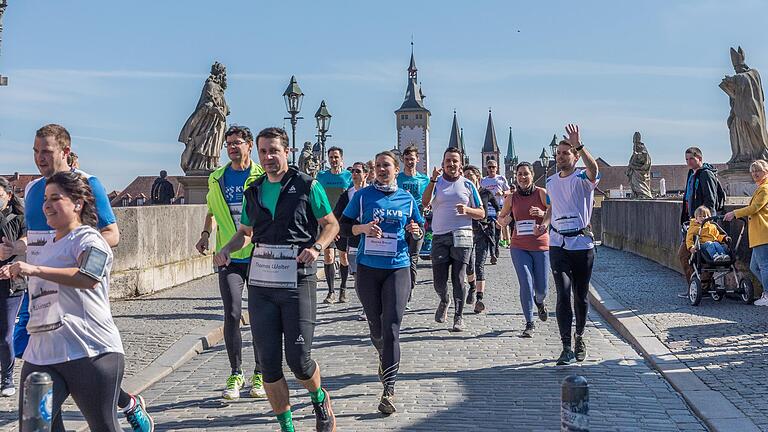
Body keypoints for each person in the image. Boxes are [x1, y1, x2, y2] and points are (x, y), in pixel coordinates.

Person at [0, 124, 153, 431]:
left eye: (46, 151)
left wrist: (58, 254)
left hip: (86, 340)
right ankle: (121, 398)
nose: (39, 158)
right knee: (34, 426)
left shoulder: (88, 203)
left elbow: (102, 251)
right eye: (35, 151)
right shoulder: (31, 190)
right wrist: (18, 249)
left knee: (102, 422)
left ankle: (126, 401)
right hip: (42, 335)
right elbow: (38, 240)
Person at [214, 127, 339, 432]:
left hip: (298, 283)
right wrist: (227, 249)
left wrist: (317, 247)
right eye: (263, 152)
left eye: (274, 151)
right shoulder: (253, 191)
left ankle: (319, 398)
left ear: (287, 151)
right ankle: (287, 427)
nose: (268, 157)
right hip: (262, 287)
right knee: (269, 366)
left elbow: (330, 224)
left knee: (298, 361)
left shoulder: (307, 186)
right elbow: (245, 234)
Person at [339, 151, 424, 414]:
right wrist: (362, 229)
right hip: (368, 269)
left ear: (396, 169)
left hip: (397, 267)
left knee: (392, 327)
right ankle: (382, 355)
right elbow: (343, 225)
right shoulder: (363, 197)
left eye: (386, 165)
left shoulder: (407, 199)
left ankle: (389, 389)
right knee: (375, 326)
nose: (381, 169)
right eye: (377, 166)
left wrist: (416, 232)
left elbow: (419, 229)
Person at [194, 125, 266, 400]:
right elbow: (212, 210)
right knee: (232, 314)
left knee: (259, 315)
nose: (232, 148)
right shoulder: (217, 178)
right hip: (229, 256)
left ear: (249, 145)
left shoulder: (261, 177)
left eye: (237, 143)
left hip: (260, 255)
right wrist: (205, 235)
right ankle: (236, 373)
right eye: (229, 144)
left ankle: (260, 373)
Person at [538, 124, 599, 365]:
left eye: (566, 153)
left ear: (574, 157)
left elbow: (594, 169)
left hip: (582, 244)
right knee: (562, 294)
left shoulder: (583, 178)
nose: (561, 156)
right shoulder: (551, 181)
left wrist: (580, 145)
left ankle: (579, 336)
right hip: (558, 243)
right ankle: (565, 346)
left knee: (580, 295)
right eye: (559, 153)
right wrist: (544, 222)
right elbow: (553, 208)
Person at [422, 147, 484, 332]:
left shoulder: (468, 185)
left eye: (455, 161)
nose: (451, 164)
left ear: (460, 164)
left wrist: (467, 210)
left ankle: (459, 316)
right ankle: (444, 299)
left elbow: (481, 213)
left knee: (459, 278)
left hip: (462, 235)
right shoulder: (437, 182)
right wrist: (432, 180)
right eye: (448, 160)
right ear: (443, 163)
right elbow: (425, 203)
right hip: (440, 236)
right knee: (439, 281)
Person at [499, 162, 550, 338]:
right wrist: (503, 222)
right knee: (526, 283)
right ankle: (529, 322)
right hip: (519, 246)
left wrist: (542, 215)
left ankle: (540, 301)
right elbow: (501, 217)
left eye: (526, 174)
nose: (522, 177)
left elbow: (554, 211)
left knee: (542, 289)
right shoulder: (511, 198)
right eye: (519, 174)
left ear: (532, 175)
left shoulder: (542, 193)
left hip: (540, 245)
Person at [725, 159, 768, 306]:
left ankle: (767, 295)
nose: (755, 173)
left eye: (758, 171)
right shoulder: (761, 187)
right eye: (753, 171)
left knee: (763, 266)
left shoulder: (765, 189)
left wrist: (734, 213)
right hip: (758, 233)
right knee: (754, 267)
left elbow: (755, 208)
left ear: (765, 172)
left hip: (763, 232)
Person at [677, 147, 719, 297]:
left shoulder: (706, 174)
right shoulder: (691, 173)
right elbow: (688, 198)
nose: (688, 162)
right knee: (685, 255)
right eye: (687, 159)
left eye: (691, 159)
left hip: (703, 224)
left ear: (699, 159)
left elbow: (711, 200)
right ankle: (694, 288)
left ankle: (701, 287)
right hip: (691, 222)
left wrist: (706, 221)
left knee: (699, 256)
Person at [316, 147, 353, 304]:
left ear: (341, 158)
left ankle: (343, 289)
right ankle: (331, 292)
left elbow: (352, 199)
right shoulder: (321, 176)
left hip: (343, 222)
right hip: (326, 222)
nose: (333, 160)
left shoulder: (348, 177)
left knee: (343, 257)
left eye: (336, 157)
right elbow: (317, 197)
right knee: (329, 256)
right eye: (331, 157)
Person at [333, 162, 368, 321]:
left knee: (370, 275)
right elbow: (338, 216)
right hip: (354, 239)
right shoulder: (346, 194)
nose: (354, 174)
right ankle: (366, 306)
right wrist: (334, 230)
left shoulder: (373, 192)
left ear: (366, 174)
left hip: (372, 240)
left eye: (358, 171)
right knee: (359, 277)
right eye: (353, 171)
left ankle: (372, 305)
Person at [462, 165, 499, 314]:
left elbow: (497, 208)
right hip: (467, 231)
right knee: (469, 265)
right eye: (466, 175)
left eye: (471, 174)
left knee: (479, 265)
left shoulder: (486, 192)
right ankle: (471, 286)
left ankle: (479, 298)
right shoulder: (463, 193)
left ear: (478, 176)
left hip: (483, 231)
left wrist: (498, 219)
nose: (469, 177)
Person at [0, 177, 25, 397]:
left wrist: (13, 255)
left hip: (11, 284)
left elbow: (27, 244)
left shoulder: (19, 218)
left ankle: (7, 378)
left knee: (6, 334)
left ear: (8, 196)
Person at [396, 146, 430, 304]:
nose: (410, 162)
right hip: (399, 222)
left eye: (413, 159)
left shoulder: (424, 179)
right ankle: (400, 289)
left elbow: (430, 198)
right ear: (403, 160)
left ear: (418, 159)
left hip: (418, 222)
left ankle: (408, 293)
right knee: (400, 256)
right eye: (407, 159)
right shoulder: (398, 179)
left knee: (413, 258)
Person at [480, 159, 509, 264]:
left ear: (497, 168)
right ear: (486, 169)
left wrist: (503, 192)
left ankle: (496, 247)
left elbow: (510, 191)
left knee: (497, 231)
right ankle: (492, 254)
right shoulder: (483, 180)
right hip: (488, 209)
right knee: (490, 230)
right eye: (489, 167)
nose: (491, 169)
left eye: (493, 167)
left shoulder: (501, 178)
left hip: (499, 208)